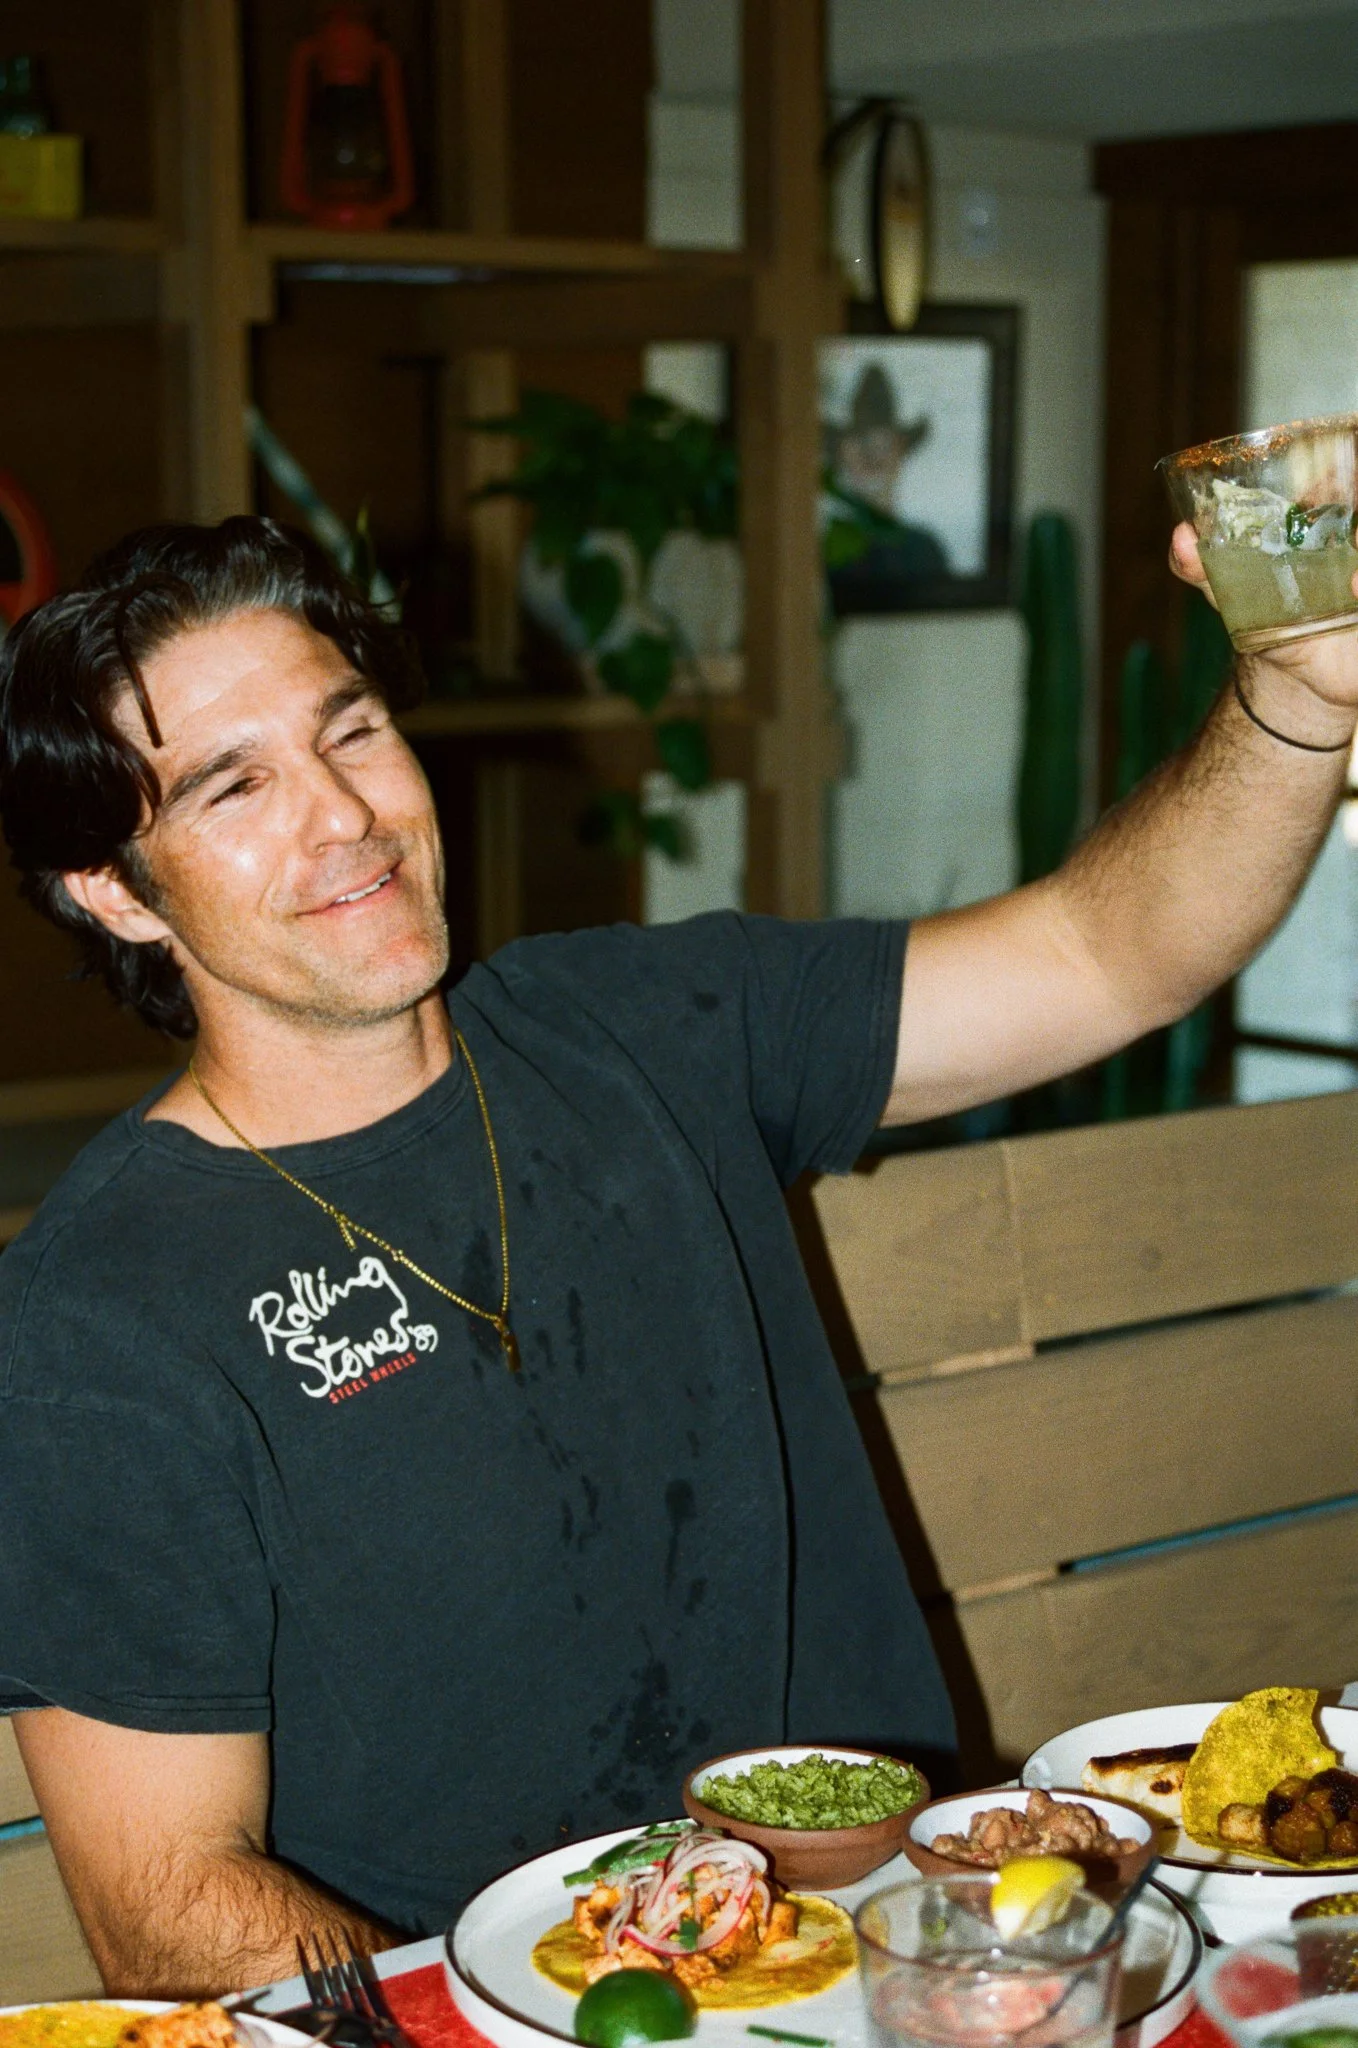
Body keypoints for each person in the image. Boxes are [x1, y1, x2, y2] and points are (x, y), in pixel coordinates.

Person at [1, 514, 1354, 1998]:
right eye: (231, 785)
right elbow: (169, 1904)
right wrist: (524, 2022)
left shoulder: (644, 1022)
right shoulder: (99, 1319)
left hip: (917, 1967)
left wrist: (1299, 694)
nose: (343, 816)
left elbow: (1106, 951)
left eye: (353, 729)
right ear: (116, 889)